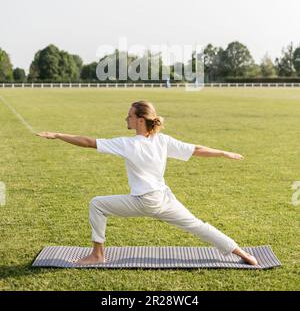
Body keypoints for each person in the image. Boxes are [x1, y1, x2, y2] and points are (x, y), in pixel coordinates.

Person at [36, 100, 258, 266]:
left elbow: (87, 142)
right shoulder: (162, 140)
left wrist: (57, 134)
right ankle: (243, 254)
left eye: (130, 116)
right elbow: (197, 149)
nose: (126, 119)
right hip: (164, 198)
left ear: (140, 120)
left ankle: (97, 255)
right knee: (198, 226)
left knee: (97, 204)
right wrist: (224, 153)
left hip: (146, 200)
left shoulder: (129, 144)